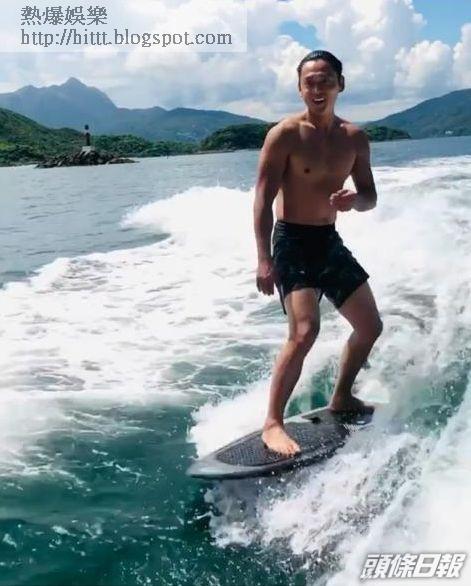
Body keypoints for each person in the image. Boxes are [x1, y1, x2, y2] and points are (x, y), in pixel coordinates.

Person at [253, 50, 383, 457]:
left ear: (340, 84)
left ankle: (341, 396)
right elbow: (262, 199)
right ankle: (272, 422)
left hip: (328, 241)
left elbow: (370, 196)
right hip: (291, 241)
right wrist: (263, 258)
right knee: (305, 331)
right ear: (299, 88)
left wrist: (354, 201)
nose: (317, 88)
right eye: (309, 82)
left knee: (370, 326)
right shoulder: (285, 135)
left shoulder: (354, 139)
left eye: (325, 80)